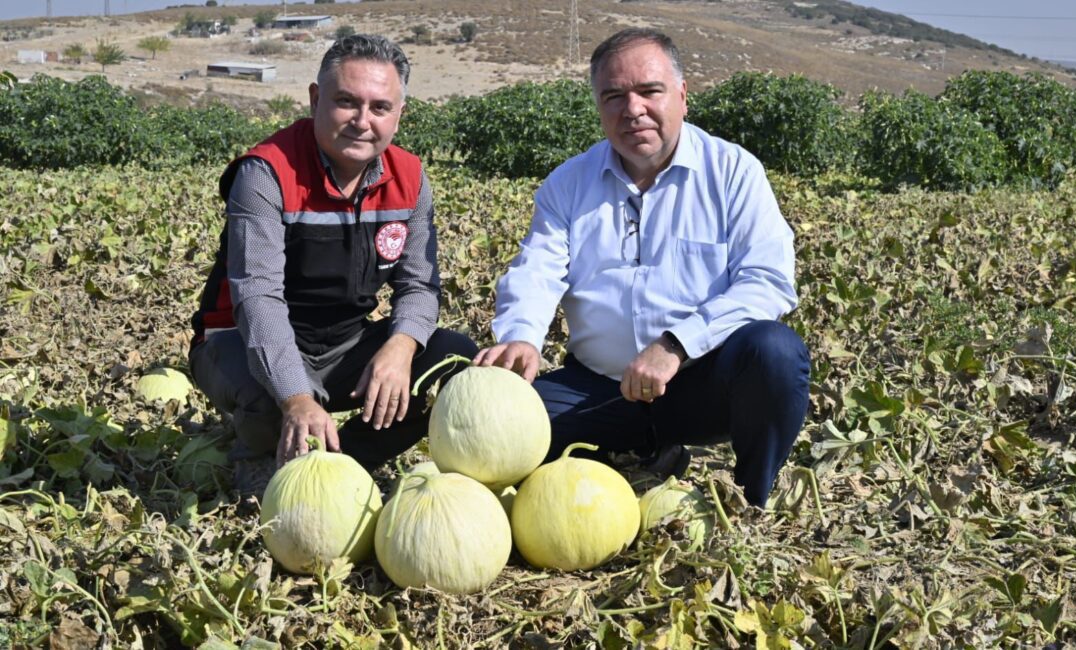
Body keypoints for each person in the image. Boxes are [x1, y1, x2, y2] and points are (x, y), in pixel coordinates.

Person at [473, 28, 810, 507]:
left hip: (698, 386)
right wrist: (521, 335)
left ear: (682, 96)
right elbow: (537, 268)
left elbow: (767, 282)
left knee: (774, 353)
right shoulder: (569, 183)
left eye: (649, 91)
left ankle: (753, 498)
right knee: (497, 426)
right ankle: (637, 450)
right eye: (614, 96)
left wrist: (676, 344)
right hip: (598, 389)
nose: (633, 110)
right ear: (598, 106)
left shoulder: (734, 172)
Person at [189, 34, 476, 496]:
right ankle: (260, 454)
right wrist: (297, 397)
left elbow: (419, 286)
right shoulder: (266, 172)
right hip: (239, 341)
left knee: (450, 361)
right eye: (346, 102)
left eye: (380, 107)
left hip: (342, 342)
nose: (363, 122)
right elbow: (257, 298)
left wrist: (400, 348)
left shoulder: (410, 179)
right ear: (315, 98)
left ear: (399, 114)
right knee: (270, 391)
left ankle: (345, 464)